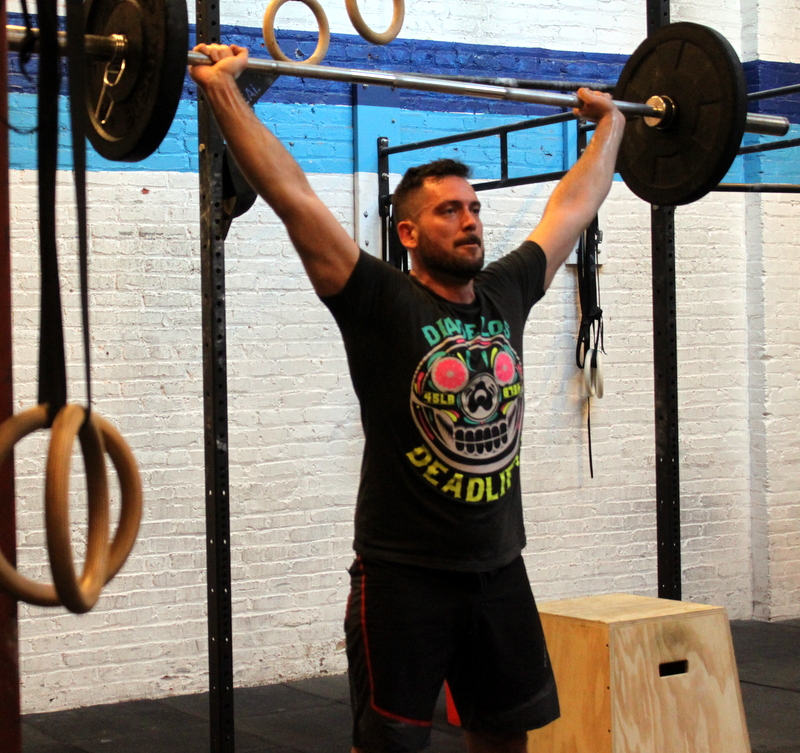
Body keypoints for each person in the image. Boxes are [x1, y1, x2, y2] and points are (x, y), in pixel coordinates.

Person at [189, 43, 626, 753]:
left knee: (506, 738)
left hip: (499, 567)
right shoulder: (377, 300)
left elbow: (574, 204)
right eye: (449, 210)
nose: (470, 220)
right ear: (409, 232)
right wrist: (222, 90)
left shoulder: (506, 291)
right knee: (390, 747)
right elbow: (293, 196)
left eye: (474, 208)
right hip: (403, 577)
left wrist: (612, 126)